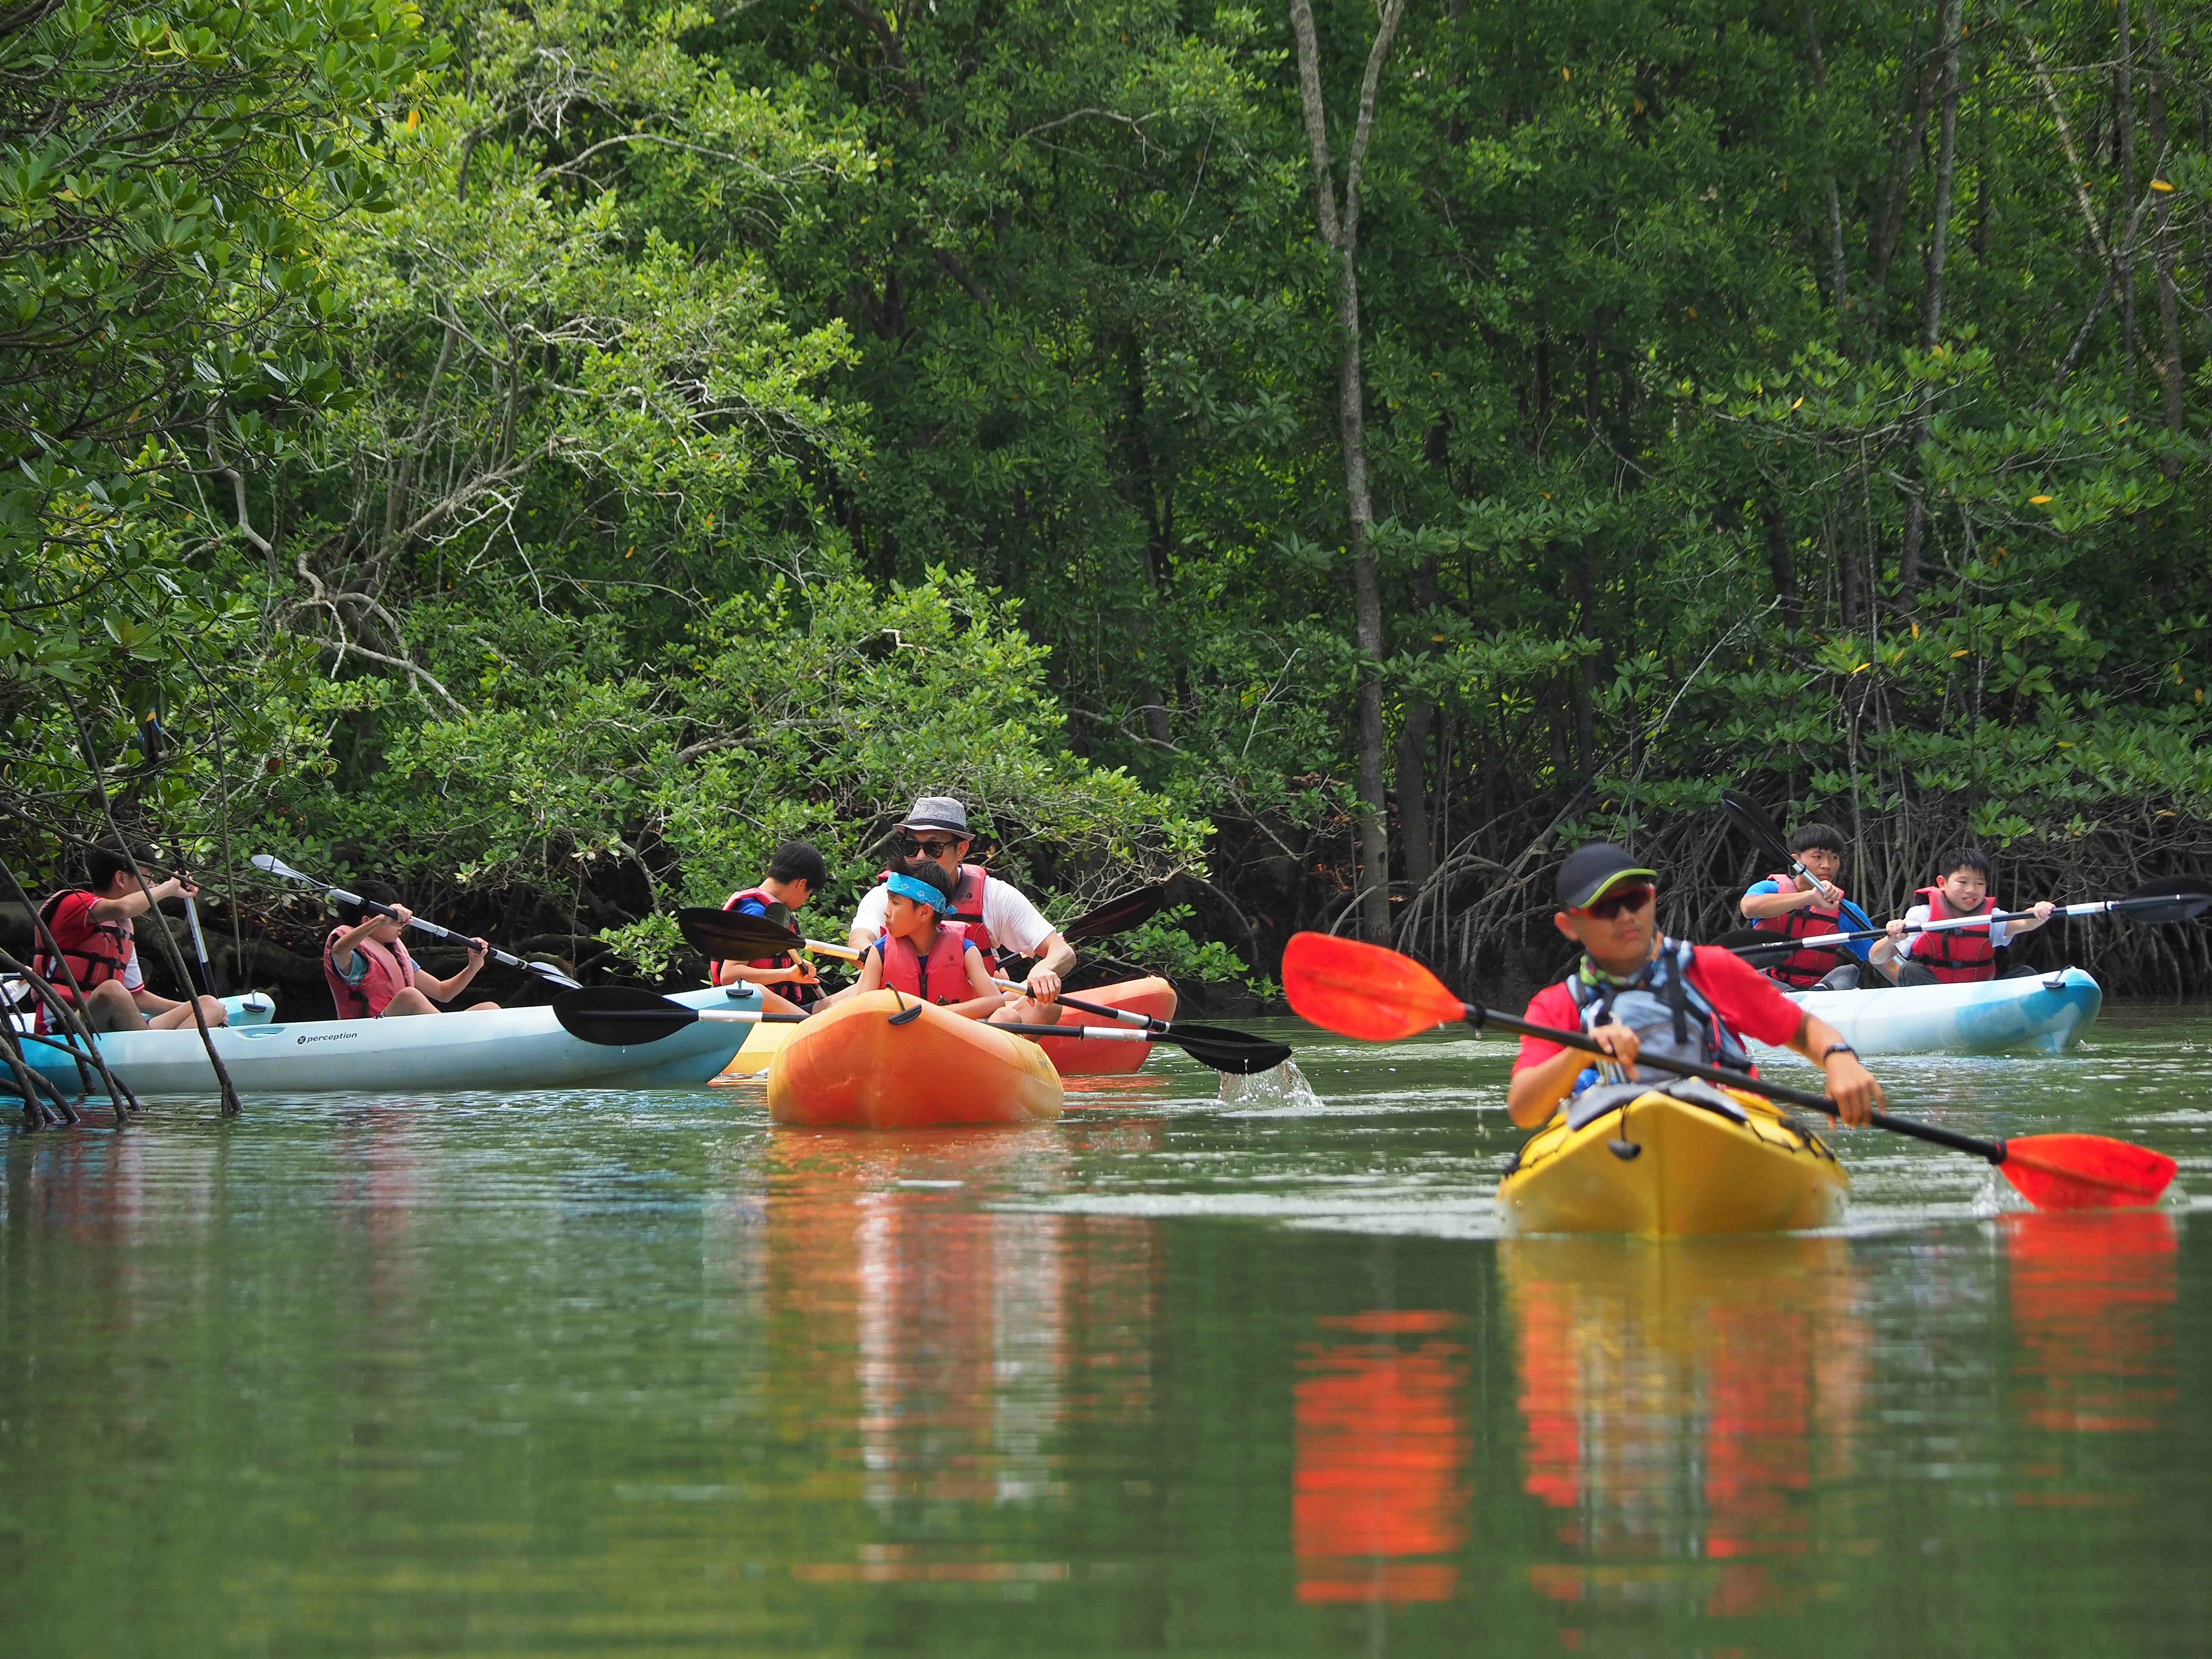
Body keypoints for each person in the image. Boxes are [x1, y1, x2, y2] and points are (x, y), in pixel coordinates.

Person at [1507, 843, 1884, 1130]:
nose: (1625, 916)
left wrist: (1839, 1059)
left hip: (1726, 1121)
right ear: (1569, 926)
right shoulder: (1557, 1005)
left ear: (1651, 900)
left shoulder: (1712, 969)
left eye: (1634, 899)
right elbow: (1525, 1111)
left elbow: (1803, 1029)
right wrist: (1579, 1052)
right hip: (1614, 1130)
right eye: (1604, 908)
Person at [844, 797, 1071, 1025]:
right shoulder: (890, 894)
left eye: (934, 848)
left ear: (961, 849)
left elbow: (1062, 951)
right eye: (911, 848)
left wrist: (1043, 969)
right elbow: (859, 941)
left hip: (970, 1020)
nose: (921, 857)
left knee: (1043, 1005)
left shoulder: (993, 895)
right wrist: (881, 960)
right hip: (898, 1015)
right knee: (841, 999)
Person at [29, 837, 230, 1033]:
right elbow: (123, 908)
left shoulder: (123, 928)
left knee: (209, 1005)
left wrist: (188, 1010)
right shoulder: (74, 903)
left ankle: (166, 1055)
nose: (152, 886)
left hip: (109, 1026)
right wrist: (169, 887)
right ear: (122, 878)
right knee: (113, 991)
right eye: (148, 878)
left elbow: (136, 997)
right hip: (63, 1025)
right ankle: (155, 1051)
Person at [1869, 848, 2056, 985]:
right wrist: (1890, 939)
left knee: (2025, 973)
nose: (1971, 891)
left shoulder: (1990, 917)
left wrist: (2038, 913)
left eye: (1980, 884)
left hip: (1977, 998)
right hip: (1933, 999)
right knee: (1910, 970)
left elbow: (2023, 922)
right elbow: (1877, 958)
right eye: (1963, 882)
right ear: (1943, 883)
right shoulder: (1922, 915)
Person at [847, 860, 1007, 1018]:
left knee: (1008, 1016)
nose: (886, 912)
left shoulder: (966, 950)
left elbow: (995, 1001)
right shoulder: (879, 952)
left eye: (895, 903)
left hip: (949, 1038)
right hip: (897, 1038)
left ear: (925, 912)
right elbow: (862, 1009)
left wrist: (932, 1014)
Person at [323, 880, 498, 1018]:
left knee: (489, 1009)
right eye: (394, 918)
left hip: (402, 1032)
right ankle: (451, 1040)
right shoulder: (354, 958)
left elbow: (443, 992)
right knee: (409, 997)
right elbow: (339, 952)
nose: (401, 924)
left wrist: (473, 967)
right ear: (367, 921)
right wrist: (381, 920)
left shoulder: (395, 955)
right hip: (369, 1034)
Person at [1738, 821, 1874, 989]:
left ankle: (1818, 993)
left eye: (1834, 857)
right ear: (1796, 860)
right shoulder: (1769, 889)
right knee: (1747, 974)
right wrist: (1809, 898)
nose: (1827, 865)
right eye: (1818, 857)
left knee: (1848, 971)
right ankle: (1789, 994)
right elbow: (1749, 908)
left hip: (1816, 992)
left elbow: (1882, 958)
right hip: (1771, 988)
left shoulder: (1845, 910)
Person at [710, 841, 827, 1016]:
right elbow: (730, 975)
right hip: (752, 1013)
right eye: (808, 894)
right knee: (822, 1023)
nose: (804, 900)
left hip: (777, 1009)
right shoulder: (755, 913)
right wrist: (788, 974)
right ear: (801, 884)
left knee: (855, 994)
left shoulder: (770, 910)